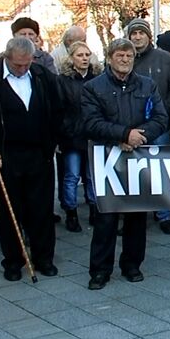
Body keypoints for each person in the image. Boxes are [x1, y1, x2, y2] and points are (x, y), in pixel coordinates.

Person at [0, 37, 62, 281]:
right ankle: (14, 261)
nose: (23, 69)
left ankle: (44, 258)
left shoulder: (41, 76)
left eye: (27, 64)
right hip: (3, 157)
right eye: (18, 65)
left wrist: (52, 141)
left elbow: (58, 110)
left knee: (41, 209)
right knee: (9, 211)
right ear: (7, 57)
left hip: (39, 154)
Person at [81, 38, 168, 290]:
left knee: (136, 215)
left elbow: (160, 117)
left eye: (129, 56)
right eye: (120, 55)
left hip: (137, 156)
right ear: (109, 58)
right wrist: (122, 134)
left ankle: (132, 265)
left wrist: (138, 136)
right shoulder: (93, 87)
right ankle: (100, 270)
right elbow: (90, 122)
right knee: (106, 216)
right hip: (107, 157)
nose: (125, 60)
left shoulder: (147, 85)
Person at [125, 17, 170, 235]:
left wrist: (164, 110)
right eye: (133, 34)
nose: (137, 37)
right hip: (131, 126)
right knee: (132, 171)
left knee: (161, 171)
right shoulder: (123, 57)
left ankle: (164, 215)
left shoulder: (164, 59)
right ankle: (132, 214)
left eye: (141, 33)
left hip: (159, 125)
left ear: (149, 36)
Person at [56, 41, 102, 231]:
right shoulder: (63, 80)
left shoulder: (97, 78)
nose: (84, 58)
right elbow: (59, 109)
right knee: (72, 176)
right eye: (80, 55)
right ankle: (71, 212)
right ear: (71, 58)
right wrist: (62, 134)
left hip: (92, 134)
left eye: (87, 55)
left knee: (92, 176)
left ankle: (93, 209)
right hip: (72, 135)